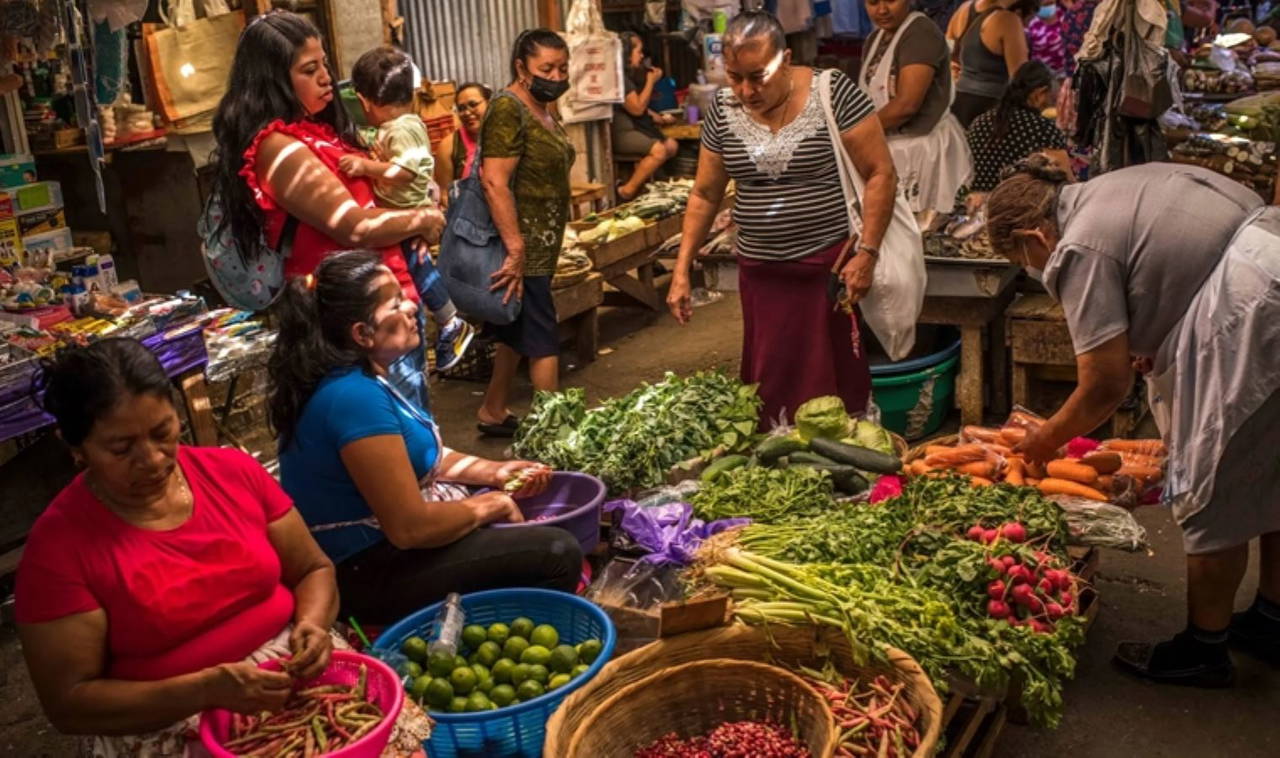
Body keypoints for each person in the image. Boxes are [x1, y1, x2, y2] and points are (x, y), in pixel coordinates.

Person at [13, 339, 430, 756]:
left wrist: (313, 624)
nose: (153, 460)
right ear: (76, 448)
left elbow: (312, 569)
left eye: (163, 432)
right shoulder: (59, 550)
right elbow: (70, 704)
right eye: (121, 449)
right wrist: (204, 690)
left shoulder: (231, 472)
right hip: (167, 715)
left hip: (292, 675)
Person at [985, 156, 1280, 687]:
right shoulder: (1106, 189)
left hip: (1248, 312)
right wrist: (1153, 333)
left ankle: (1203, 651)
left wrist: (1047, 439)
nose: (1031, 270)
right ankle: (1271, 620)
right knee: (1274, 474)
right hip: (1267, 261)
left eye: (1021, 260)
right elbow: (1166, 263)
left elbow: (1105, 384)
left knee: (1214, 488)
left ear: (1034, 236)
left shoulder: (1078, 247)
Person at [270, 251, 584, 624]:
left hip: (388, 547)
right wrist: (490, 506)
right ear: (362, 334)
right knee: (556, 553)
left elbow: (416, 455)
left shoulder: (364, 378)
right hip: (367, 571)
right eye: (395, 303)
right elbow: (410, 528)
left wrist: (494, 472)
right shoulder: (353, 398)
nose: (411, 306)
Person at [666, 10, 897, 427]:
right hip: (761, 274)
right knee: (771, 378)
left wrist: (868, 252)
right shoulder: (722, 109)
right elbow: (704, 194)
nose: (746, 90)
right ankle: (780, 449)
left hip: (826, 271)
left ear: (786, 60)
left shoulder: (832, 92)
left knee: (830, 381)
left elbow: (880, 172)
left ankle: (840, 453)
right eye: (735, 77)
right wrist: (682, 269)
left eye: (759, 76)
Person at [209, 11, 443, 411]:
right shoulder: (278, 148)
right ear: (272, 79)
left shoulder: (320, 130)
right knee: (389, 432)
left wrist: (418, 201)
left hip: (389, 303)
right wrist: (423, 219)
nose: (326, 78)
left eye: (324, 64)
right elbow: (352, 226)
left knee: (412, 428)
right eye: (309, 69)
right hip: (354, 325)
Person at [344, 45, 476, 373]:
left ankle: (450, 322)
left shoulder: (402, 128)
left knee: (420, 268)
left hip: (408, 209)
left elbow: (407, 172)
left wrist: (366, 167)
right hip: (406, 208)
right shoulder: (397, 126)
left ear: (364, 101)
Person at [476, 29, 576, 437]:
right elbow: (494, 181)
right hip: (522, 246)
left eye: (563, 68)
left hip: (541, 245)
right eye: (546, 68)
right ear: (521, 67)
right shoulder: (508, 108)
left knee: (516, 330)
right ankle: (553, 433)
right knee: (543, 337)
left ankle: (492, 409)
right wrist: (516, 248)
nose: (557, 76)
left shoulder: (543, 107)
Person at [860, 0, 972, 223]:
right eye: (873, 2)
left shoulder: (920, 33)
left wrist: (858, 131)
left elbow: (906, 105)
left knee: (923, 228)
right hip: (890, 144)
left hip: (923, 149)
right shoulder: (875, 39)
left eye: (891, 1)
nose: (882, 10)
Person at [966, 61, 1071, 205]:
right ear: (1040, 93)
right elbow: (1065, 178)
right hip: (1021, 206)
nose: (1050, 104)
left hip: (976, 205)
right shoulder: (1043, 128)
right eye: (1051, 98)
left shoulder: (979, 122)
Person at [946, 0, 1038, 127]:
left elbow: (947, 55)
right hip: (991, 109)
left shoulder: (964, 9)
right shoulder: (1008, 20)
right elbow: (1021, 80)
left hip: (958, 104)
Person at [613, 32, 680, 201]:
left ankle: (650, 186)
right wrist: (650, 80)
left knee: (671, 145)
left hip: (635, 127)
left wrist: (659, 118)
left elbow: (642, 109)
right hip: (622, 132)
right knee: (659, 151)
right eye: (638, 51)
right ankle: (626, 191)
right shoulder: (620, 79)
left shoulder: (629, 75)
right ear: (627, 54)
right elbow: (636, 109)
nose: (642, 56)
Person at [440, 82, 493, 189]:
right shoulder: (448, 147)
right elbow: (445, 193)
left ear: (489, 103)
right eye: (461, 108)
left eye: (473, 105)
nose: (467, 113)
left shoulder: (507, 137)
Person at [1027, 0, 1067, 77]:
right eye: (1045, 5)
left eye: (1051, 3)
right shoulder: (1030, 23)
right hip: (1044, 76)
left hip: (1068, 71)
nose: (1049, 7)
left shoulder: (1065, 14)